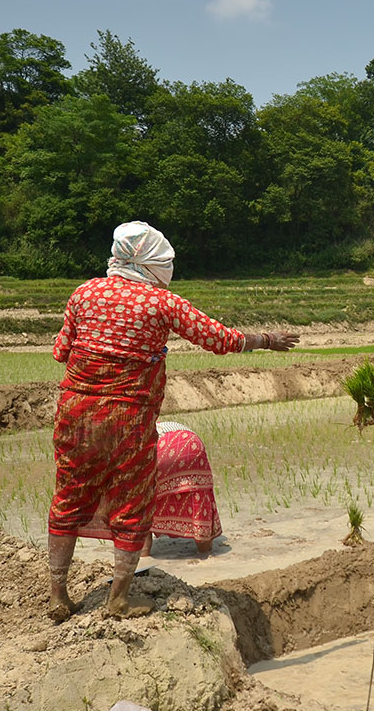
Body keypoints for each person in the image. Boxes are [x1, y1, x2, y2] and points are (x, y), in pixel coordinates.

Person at [45, 221, 298, 621]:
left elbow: (61, 351)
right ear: (151, 262)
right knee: (131, 502)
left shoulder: (84, 293)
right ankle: (119, 600)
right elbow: (220, 339)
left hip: (76, 414)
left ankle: (58, 595)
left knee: (68, 496)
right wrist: (266, 339)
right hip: (128, 417)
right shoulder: (162, 303)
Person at [77, 421, 223, 557]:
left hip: (162, 447)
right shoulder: (129, 435)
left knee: (140, 507)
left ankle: (144, 556)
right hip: (191, 443)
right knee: (197, 498)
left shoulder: (117, 451)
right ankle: (205, 554)